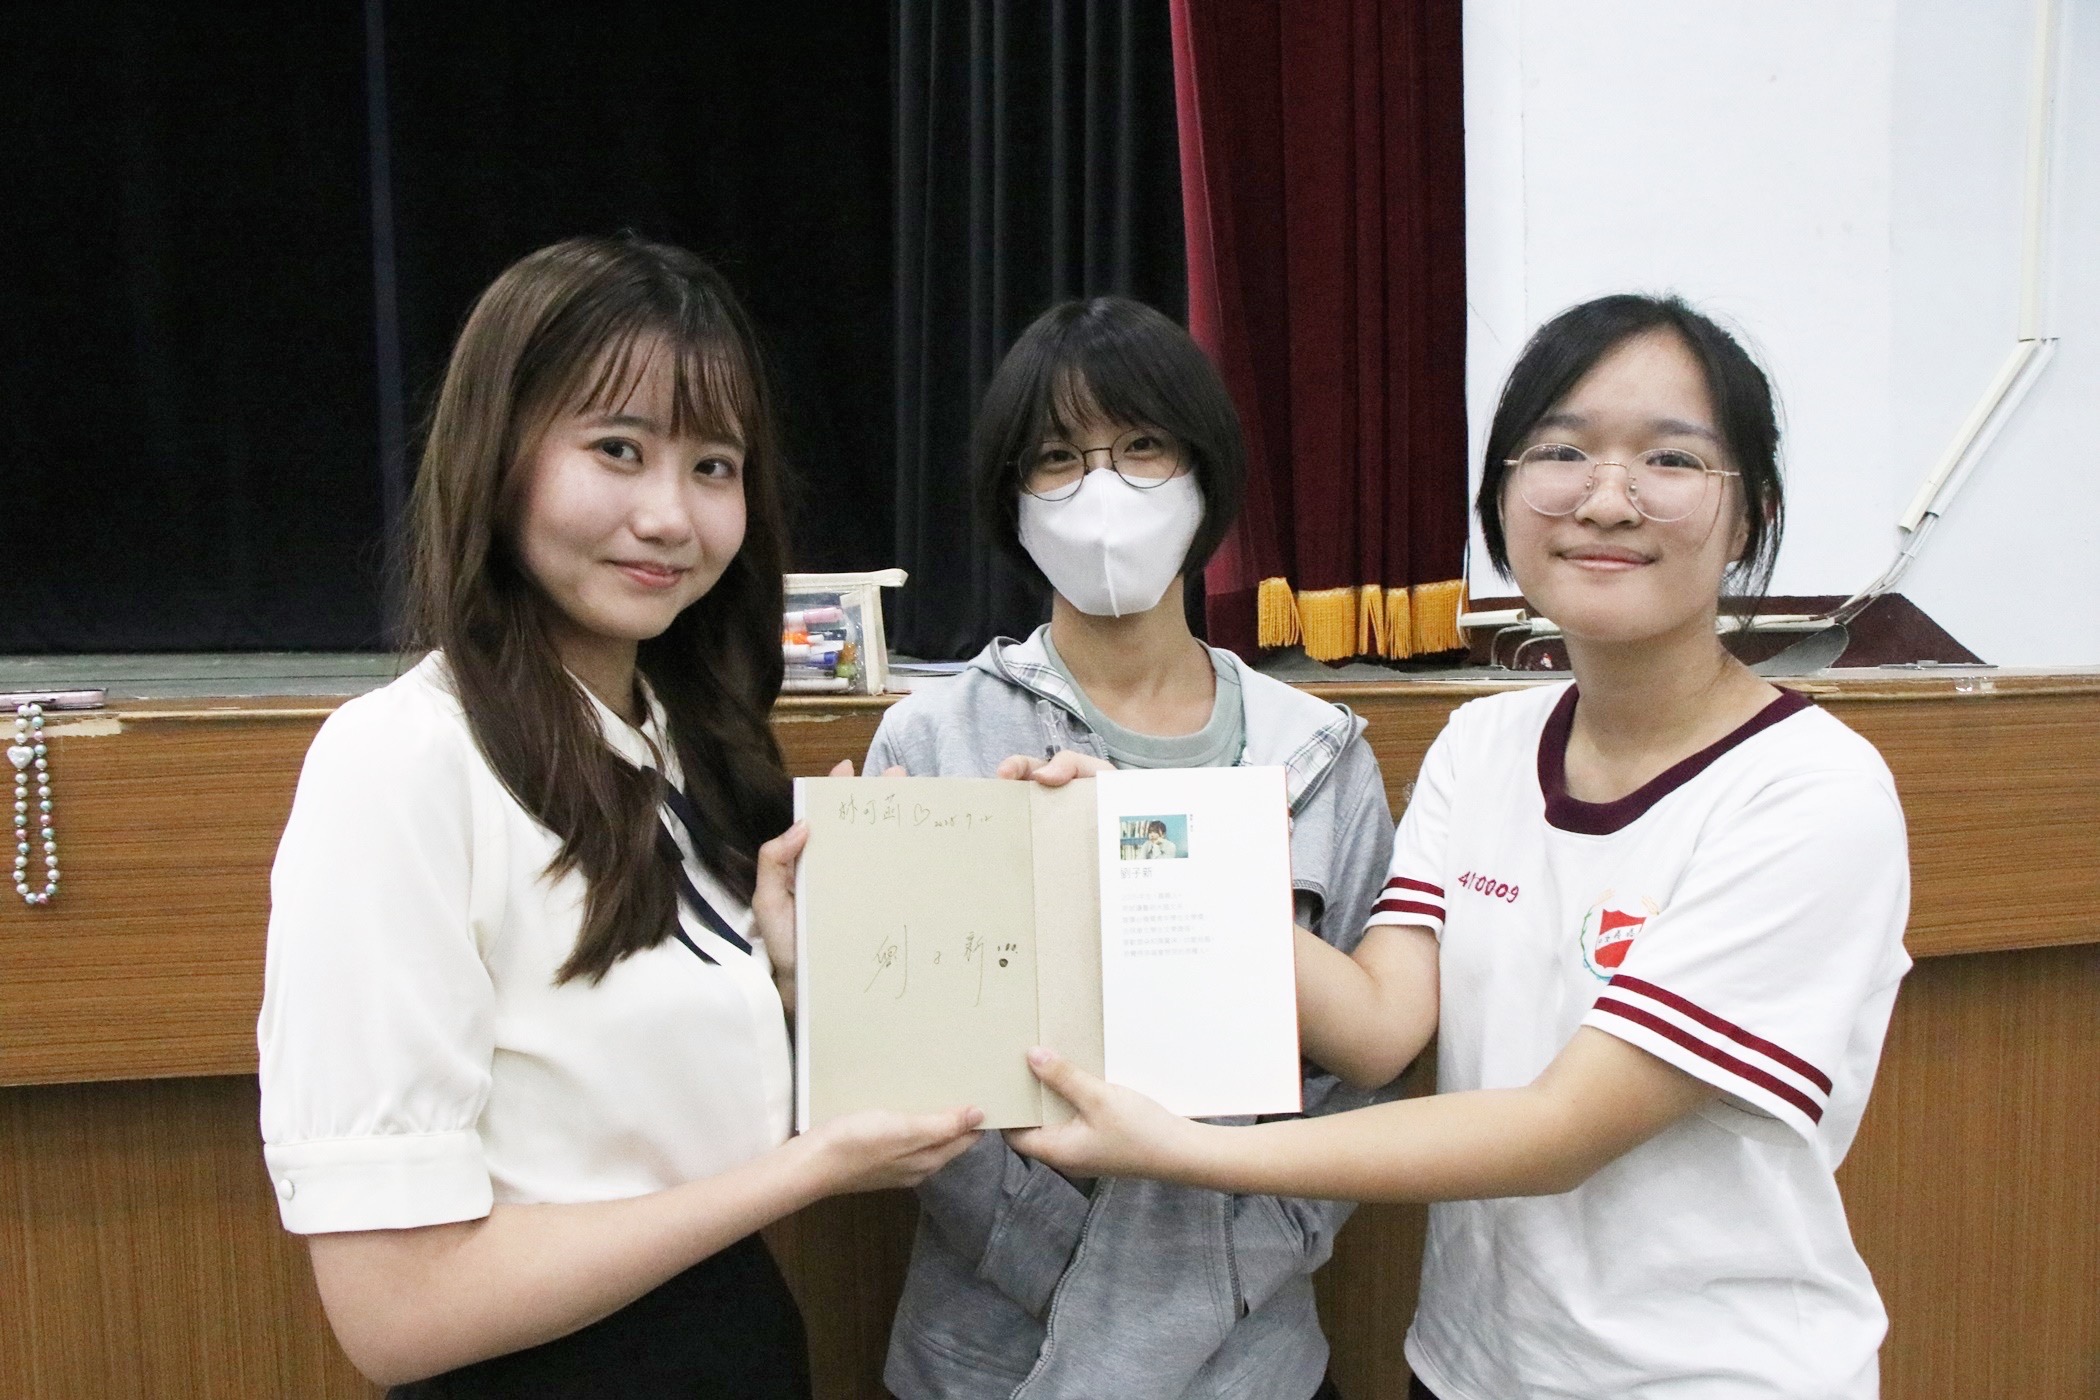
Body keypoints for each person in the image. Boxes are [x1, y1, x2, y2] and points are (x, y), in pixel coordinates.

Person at [1008, 294, 1913, 1400]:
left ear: (1750, 513)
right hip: (1466, 1367)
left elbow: (1560, 1129)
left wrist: (1178, 1147)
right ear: (1502, 497)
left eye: (1671, 459)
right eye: (1562, 452)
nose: (1607, 499)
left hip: (1712, 1376)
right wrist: (1145, 833)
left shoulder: (1809, 792)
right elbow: (1380, 1026)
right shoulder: (1484, 745)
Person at [257, 235, 981, 1397]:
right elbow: (399, 1311)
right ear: (497, 453)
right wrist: (806, 1168)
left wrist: (805, 976)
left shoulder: (681, 744)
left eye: (713, 464)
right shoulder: (399, 762)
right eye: (617, 449)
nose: (670, 515)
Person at [867, 296, 1395, 1400]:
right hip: (991, 1360)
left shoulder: (1319, 751)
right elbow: (906, 1054)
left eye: (1145, 446)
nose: (1102, 491)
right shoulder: (935, 738)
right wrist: (1059, 1263)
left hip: (1254, 1361)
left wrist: (1227, 1268)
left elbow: (1360, 1080)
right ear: (1011, 495)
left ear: (1206, 472)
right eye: (1058, 458)